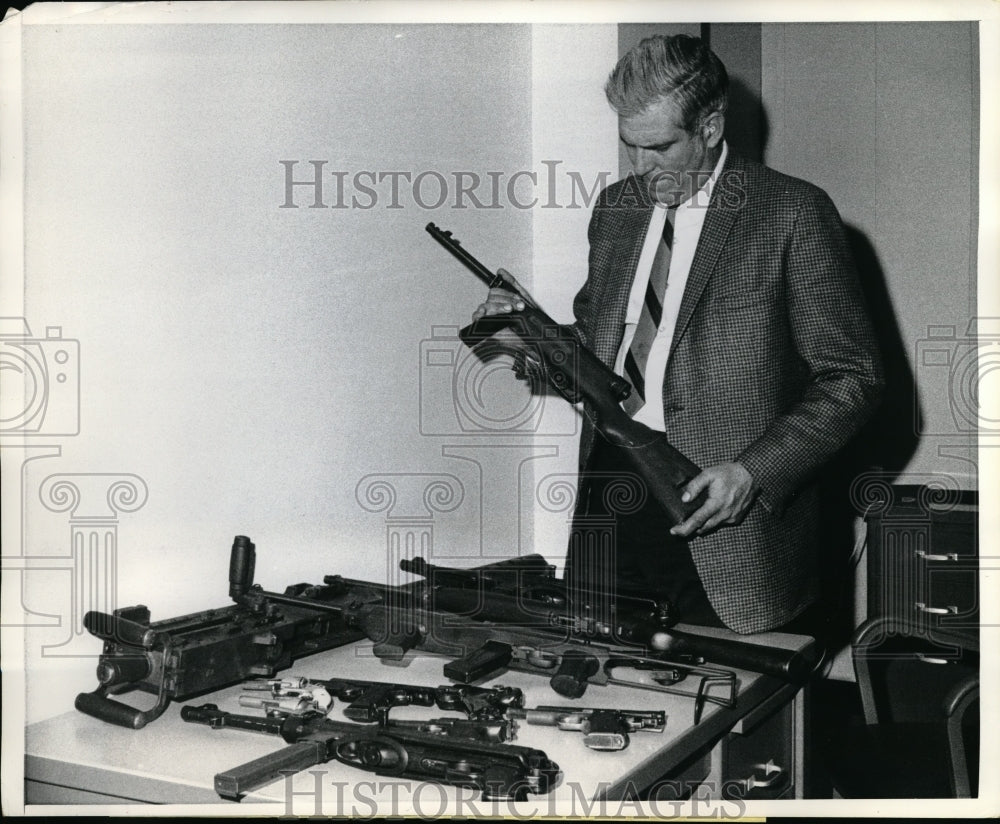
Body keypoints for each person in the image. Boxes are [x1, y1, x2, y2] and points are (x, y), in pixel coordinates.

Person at [474, 35, 883, 636]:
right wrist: (524, 334)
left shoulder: (792, 213)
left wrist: (753, 472)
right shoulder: (617, 210)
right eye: (630, 147)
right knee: (599, 676)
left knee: (728, 705)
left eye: (660, 147)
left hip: (725, 508)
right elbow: (597, 355)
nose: (641, 168)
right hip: (610, 490)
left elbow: (853, 379)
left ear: (712, 126)